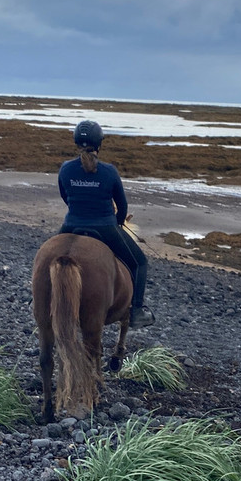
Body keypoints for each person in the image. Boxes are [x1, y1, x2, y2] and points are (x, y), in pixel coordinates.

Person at [57, 120, 155, 328]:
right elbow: (123, 206)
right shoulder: (109, 172)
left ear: (76, 142)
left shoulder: (65, 169)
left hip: (71, 226)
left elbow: (66, 197)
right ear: (99, 144)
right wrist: (117, 224)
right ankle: (137, 311)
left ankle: (36, 300)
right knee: (140, 263)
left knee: (46, 257)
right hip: (105, 228)